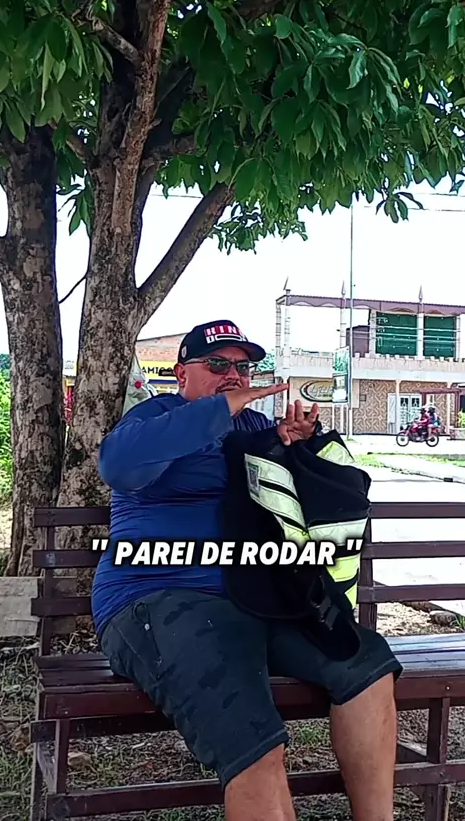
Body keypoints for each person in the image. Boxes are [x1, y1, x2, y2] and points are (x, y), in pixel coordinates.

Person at [92, 319, 401, 821]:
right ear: (182, 373)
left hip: (258, 595)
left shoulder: (257, 427)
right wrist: (220, 410)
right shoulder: (157, 416)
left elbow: (315, 503)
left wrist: (299, 445)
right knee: (255, 740)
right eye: (217, 364)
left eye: (242, 367)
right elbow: (119, 465)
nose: (233, 375)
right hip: (161, 596)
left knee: (366, 664)